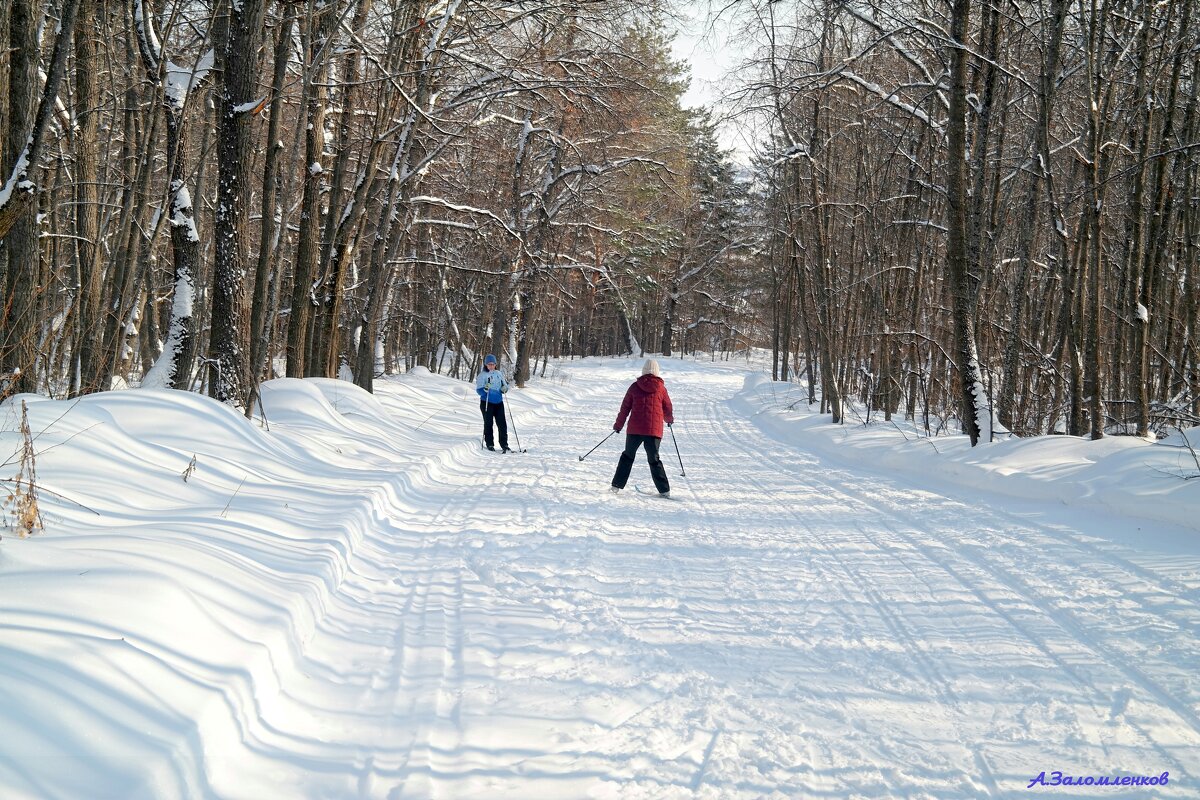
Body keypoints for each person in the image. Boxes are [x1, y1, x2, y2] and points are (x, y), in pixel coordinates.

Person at [611, 359, 674, 496]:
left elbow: (625, 408)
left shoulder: (634, 386)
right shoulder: (661, 389)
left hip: (635, 430)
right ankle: (664, 491)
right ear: (657, 372)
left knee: (627, 456)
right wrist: (669, 420)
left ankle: (616, 486)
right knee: (654, 459)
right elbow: (667, 407)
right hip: (654, 431)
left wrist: (618, 425)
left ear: (643, 371)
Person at [476, 354, 510, 451]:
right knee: (488, 423)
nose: (491, 366)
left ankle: (504, 444)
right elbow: (479, 390)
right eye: (489, 364)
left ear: (495, 364)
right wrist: (485, 389)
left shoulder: (498, 373)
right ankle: (490, 443)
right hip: (487, 402)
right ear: (486, 365)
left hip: (498, 402)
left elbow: (505, 385)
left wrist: (505, 388)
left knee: (502, 424)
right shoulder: (482, 375)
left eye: (493, 364)